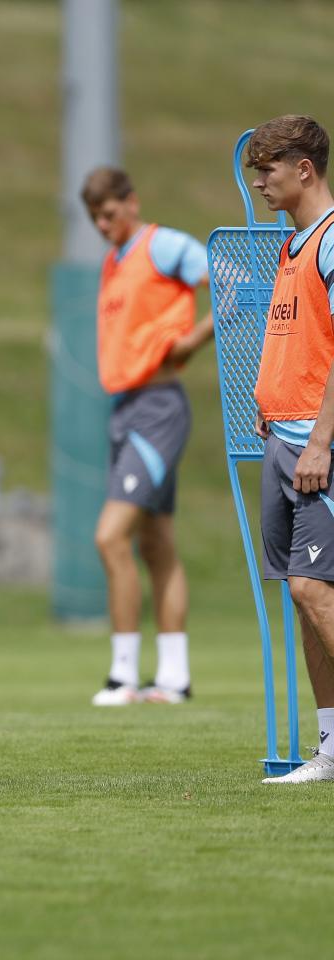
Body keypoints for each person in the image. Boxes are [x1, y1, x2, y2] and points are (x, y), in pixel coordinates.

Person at [80, 168, 215, 707]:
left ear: (131, 203)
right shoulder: (113, 261)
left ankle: (123, 677)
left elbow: (229, 282)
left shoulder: (163, 246)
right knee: (156, 544)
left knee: (109, 537)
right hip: (125, 408)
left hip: (159, 409)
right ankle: (175, 679)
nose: (102, 225)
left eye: (109, 214)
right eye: (95, 218)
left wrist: (190, 343)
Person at [247, 115, 334, 784]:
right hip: (284, 438)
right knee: (304, 599)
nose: (258, 183)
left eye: (268, 170)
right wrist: (268, 398)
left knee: (313, 588)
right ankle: (331, 748)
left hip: (316, 449)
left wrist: (320, 444)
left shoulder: (331, 241)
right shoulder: (292, 245)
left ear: (304, 168)